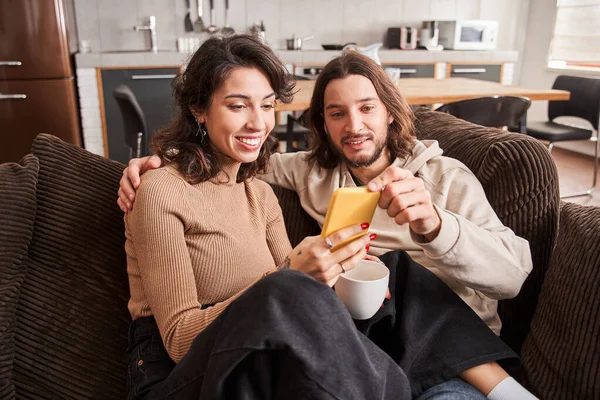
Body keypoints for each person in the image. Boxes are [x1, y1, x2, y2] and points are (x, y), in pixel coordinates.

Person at [120, 35, 535, 400]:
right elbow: (181, 340)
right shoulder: (165, 189)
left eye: (266, 106)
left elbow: (299, 295)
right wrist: (161, 160)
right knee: (303, 290)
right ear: (199, 110)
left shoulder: (263, 196)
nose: (257, 121)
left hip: (422, 351)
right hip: (188, 369)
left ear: (390, 112)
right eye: (236, 105)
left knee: (389, 270)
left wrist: (432, 228)